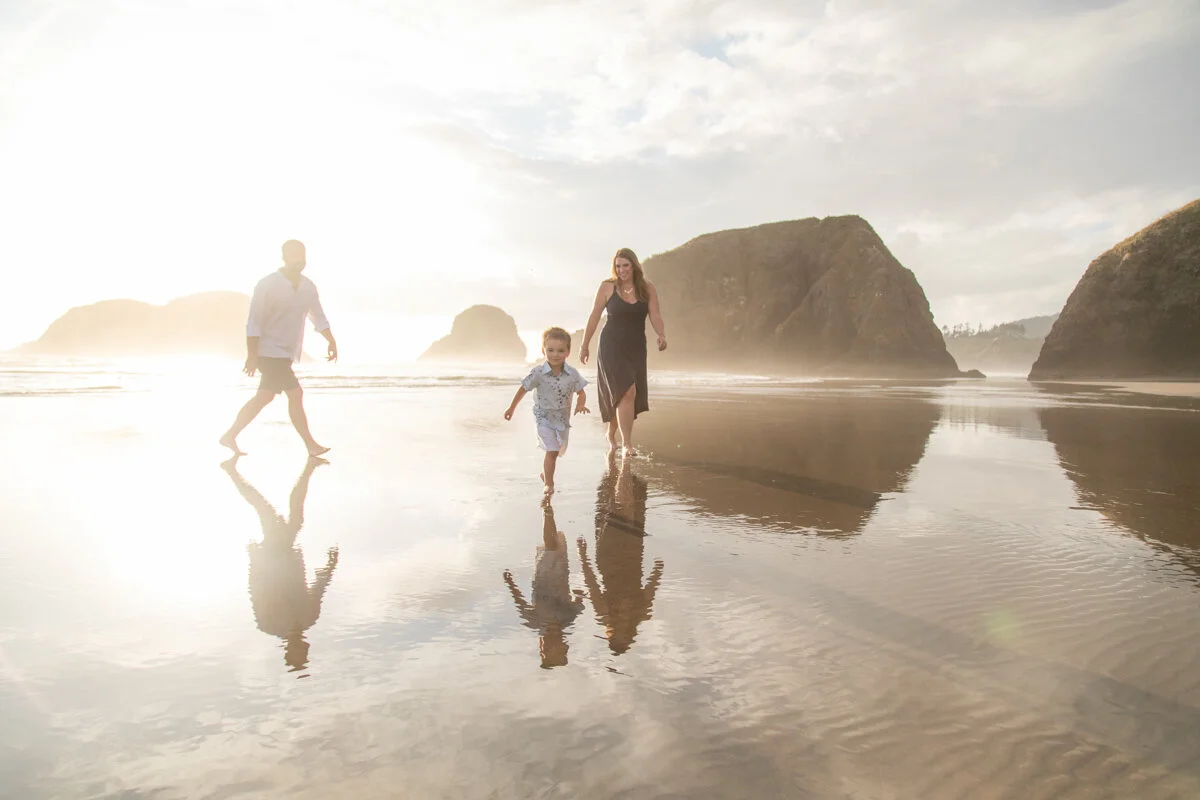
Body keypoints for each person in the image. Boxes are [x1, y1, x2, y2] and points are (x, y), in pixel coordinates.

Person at [221, 455, 339, 674]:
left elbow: (256, 593)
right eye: (303, 651)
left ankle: (233, 473)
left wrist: (254, 560)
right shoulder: (309, 618)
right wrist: (330, 567)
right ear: (306, 646)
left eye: (298, 652)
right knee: (277, 514)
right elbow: (317, 589)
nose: (301, 646)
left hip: (271, 560)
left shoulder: (269, 625)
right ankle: (306, 470)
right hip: (286, 557)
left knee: (269, 512)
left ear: (288, 650)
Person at [220, 239, 338, 457]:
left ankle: (230, 435)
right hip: (268, 351)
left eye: (302, 255)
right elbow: (254, 321)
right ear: (284, 257)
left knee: (263, 397)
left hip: (286, 354)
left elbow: (318, 316)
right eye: (294, 255)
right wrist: (252, 355)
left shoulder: (308, 287)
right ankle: (310, 445)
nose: (299, 260)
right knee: (295, 393)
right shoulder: (267, 284)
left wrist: (331, 340)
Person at [579, 247, 667, 457]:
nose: (621, 270)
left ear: (634, 266)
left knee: (624, 395)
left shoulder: (647, 288)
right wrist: (584, 345)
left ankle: (612, 431)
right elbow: (594, 316)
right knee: (628, 391)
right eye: (617, 266)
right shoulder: (607, 287)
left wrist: (661, 334)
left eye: (625, 265)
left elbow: (655, 314)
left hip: (636, 346)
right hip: (611, 345)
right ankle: (627, 444)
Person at [577, 453, 664, 655]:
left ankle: (621, 464)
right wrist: (657, 572)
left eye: (614, 636)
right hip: (633, 556)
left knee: (615, 508)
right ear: (629, 637)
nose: (617, 632)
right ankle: (621, 464)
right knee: (631, 508)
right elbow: (650, 591)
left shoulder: (604, 613)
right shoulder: (640, 613)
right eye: (621, 637)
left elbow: (592, 584)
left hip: (608, 556)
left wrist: (582, 555)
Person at [504, 326, 590, 496]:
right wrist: (512, 408)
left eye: (560, 350)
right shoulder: (538, 373)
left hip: (562, 421)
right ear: (543, 350)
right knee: (551, 450)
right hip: (543, 418)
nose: (555, 354)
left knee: (557, 451)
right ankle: (549, 485)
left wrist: (581, 403)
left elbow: (581, 392)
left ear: (568, 352)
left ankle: (546, 473)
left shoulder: (572, 374)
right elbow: (523, 388)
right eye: (550, 350)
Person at [503, 499, 586, 668]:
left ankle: (548, 512)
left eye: (544, 650)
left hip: (541, 576)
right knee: (555, 544)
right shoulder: (568, 618)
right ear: (563, 645)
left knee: (551, 546)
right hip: (561, 574)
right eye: (549, 649)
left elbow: (520, 602)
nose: (544, 646)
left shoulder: (534, 621)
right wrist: (580, 595)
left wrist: (511, 583)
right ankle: (547, 507)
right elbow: (579, 601)